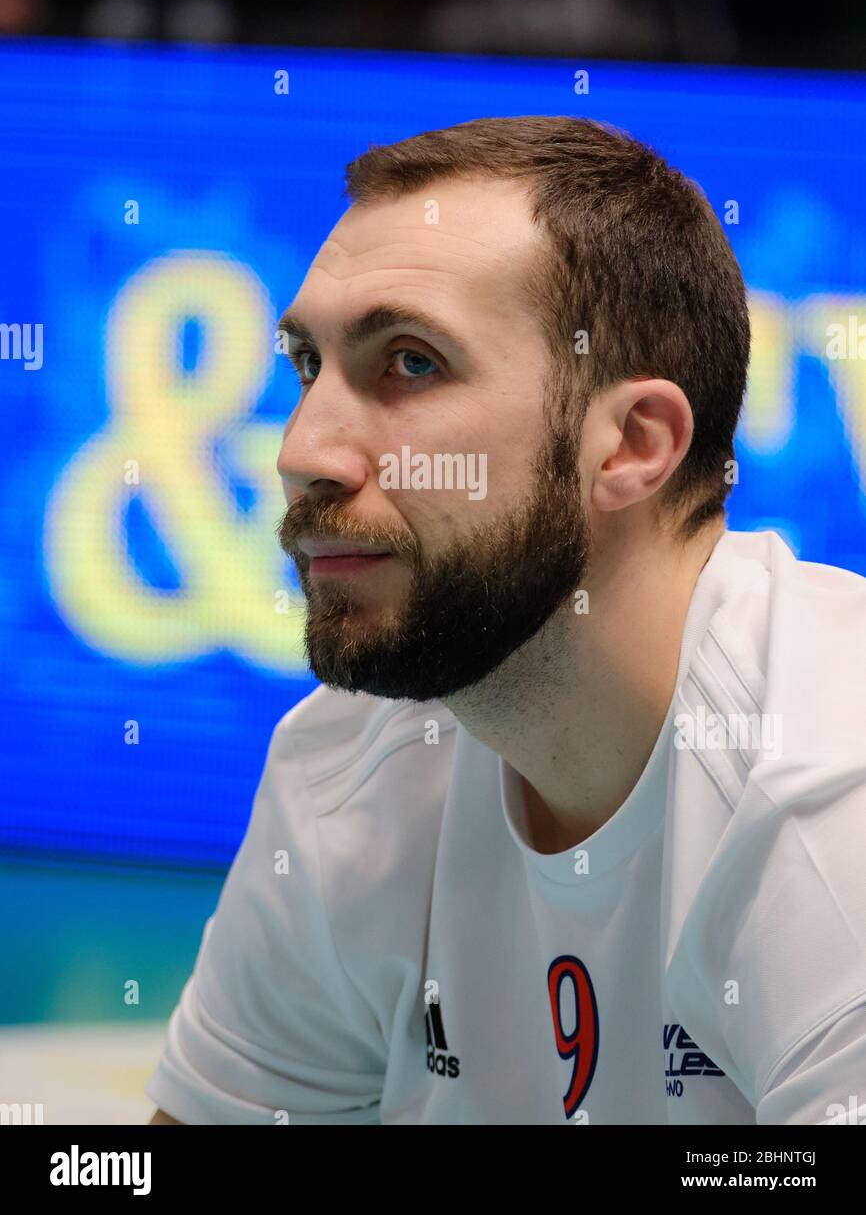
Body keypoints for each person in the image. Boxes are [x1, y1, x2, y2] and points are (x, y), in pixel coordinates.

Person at [146, 116, 866, 1125]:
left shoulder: (831, 804)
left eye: (409, 364)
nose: (302, 449)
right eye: (308, 366)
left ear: (629, 445)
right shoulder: (345, 770)